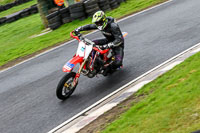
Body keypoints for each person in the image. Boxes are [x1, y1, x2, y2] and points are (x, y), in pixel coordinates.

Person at [74, 11, 124, 75]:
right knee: (92, 43)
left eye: (99, 23)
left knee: (118, 63)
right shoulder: (99, 25)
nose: (98, 24)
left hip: (117, 44)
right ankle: (92, 60)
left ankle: (109, 68)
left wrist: (107, 45)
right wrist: (79, 28)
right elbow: (90, 26)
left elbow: (119, 39)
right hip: (107, 40)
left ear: (104, 20)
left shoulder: (113, 26)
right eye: (96, 23)